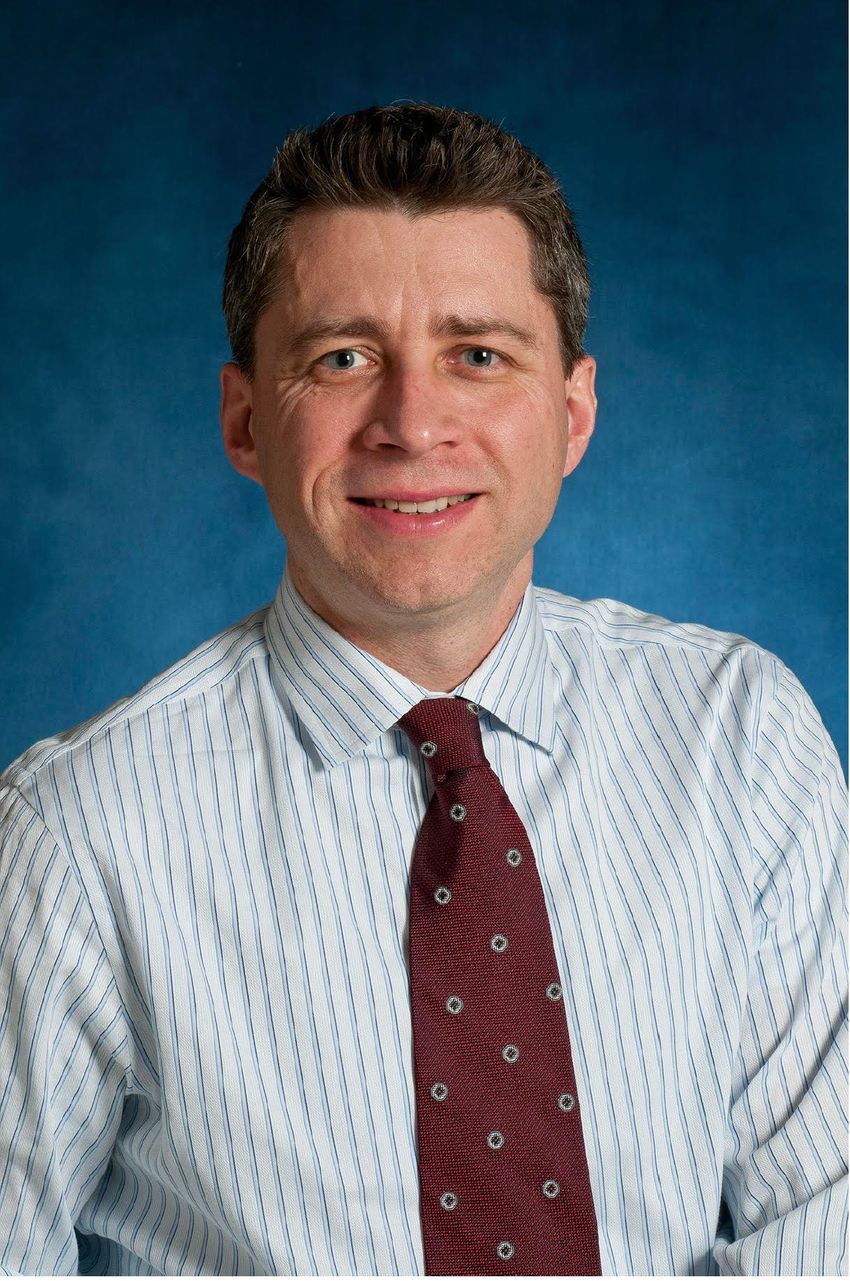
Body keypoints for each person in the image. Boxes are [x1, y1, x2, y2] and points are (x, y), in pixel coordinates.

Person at [0, 102, 845, 1278]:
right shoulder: (74, 831)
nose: (411, 423)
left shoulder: (741, 739)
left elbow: (826, 1219)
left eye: (478, 355)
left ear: (572, 413)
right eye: (343, 357)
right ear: (246, 420)